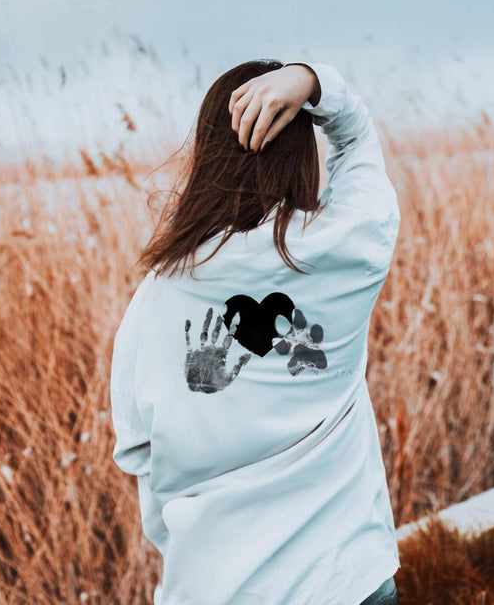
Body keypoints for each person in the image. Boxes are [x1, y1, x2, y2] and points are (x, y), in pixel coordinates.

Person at [110, 60, 401, 605]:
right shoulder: (343, 247)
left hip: (216, 586)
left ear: (208, 155)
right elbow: (359, 140)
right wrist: (311, 80)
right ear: (301, 157)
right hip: (345, 575)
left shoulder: (160, 293)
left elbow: (136, 448)